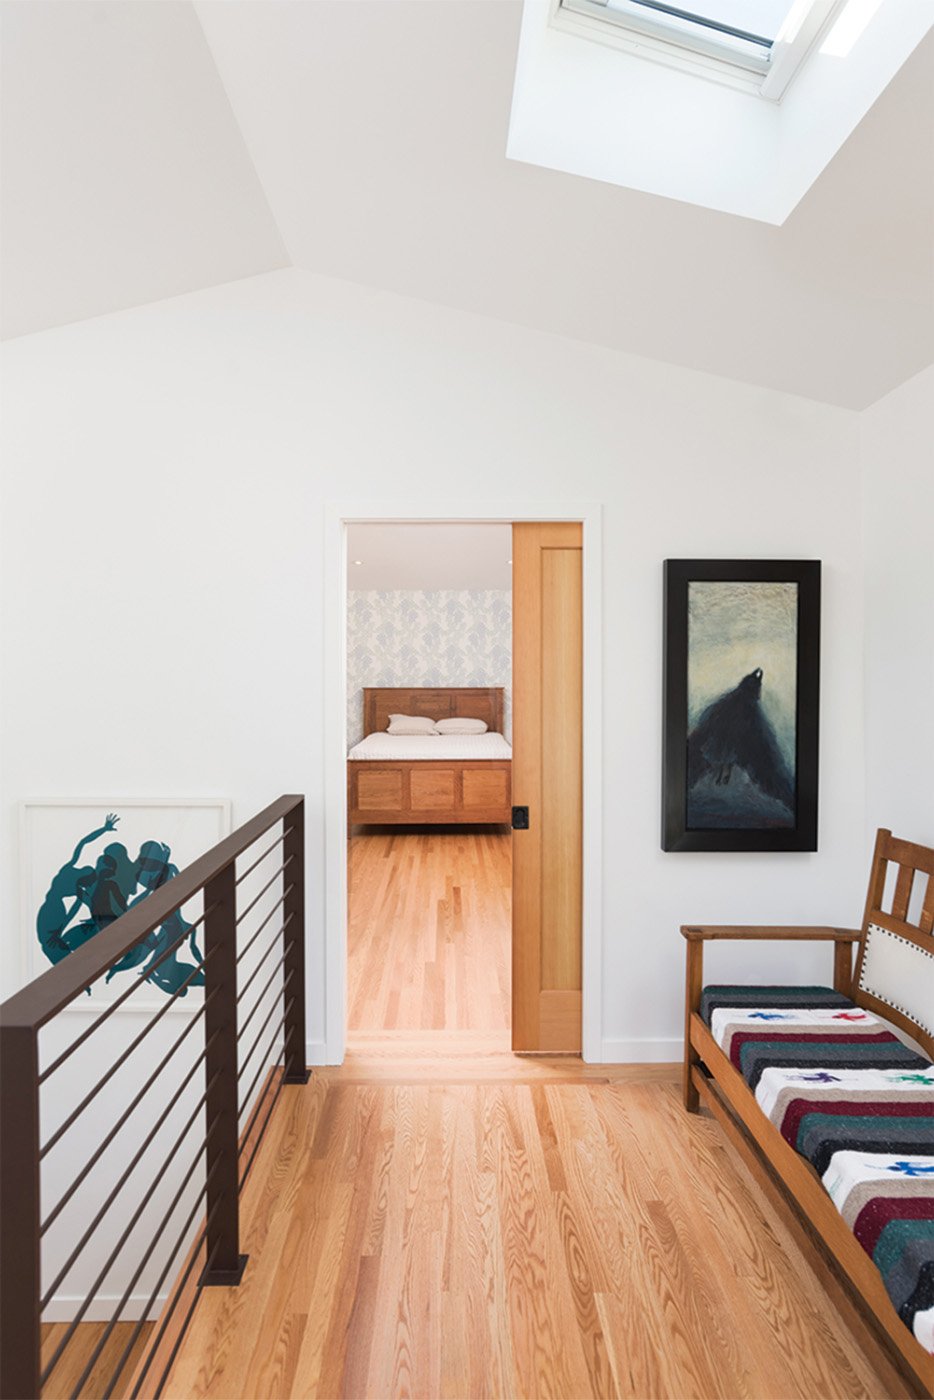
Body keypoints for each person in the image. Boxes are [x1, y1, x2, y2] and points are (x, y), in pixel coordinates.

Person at [36, 813, 120, 965]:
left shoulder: (71, 871)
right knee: (51, 944)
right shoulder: (70, 873)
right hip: (51, 910)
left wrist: (94, 919)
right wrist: (103, 829)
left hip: (55, 910)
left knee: (57, 946)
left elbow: (76, 908)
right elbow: (83, 843)